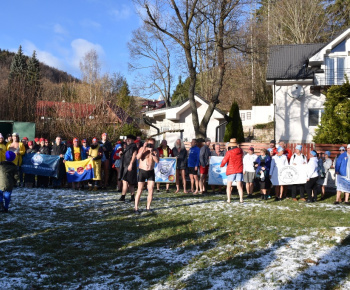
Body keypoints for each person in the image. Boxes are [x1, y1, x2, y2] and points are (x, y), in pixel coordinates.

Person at [134, 138, 159, 214]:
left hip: (151, 171)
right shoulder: (142, 148)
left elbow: (157, 161)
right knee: (140, 190)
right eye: (149, 143)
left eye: (152, 144)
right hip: (142, 171)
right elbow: (138, 157)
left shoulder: (155, 150)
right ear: (146, 143)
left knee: (151, 190)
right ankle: (136, 208)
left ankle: (148, 207)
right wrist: (144, 148)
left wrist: (152, 153)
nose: (150, 145)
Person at [220, 138, 244, 203]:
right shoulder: (241, 151)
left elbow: (225, 160)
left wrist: (221, 165)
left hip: (231, 170)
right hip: (239, 170)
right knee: (239, 186)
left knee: (229, 186)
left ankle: (229, 199)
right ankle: (241, 199)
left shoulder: (229, 152)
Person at [118, 135, 138, 202]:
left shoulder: (133, 146)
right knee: (130, 183)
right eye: (127, 139)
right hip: (125, 165)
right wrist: (121, 154)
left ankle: (123, 197)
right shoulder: (127, 147)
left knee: (126, 181)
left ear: (132, 140)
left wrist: (131, 164)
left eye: (129, 139)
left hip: (129, 166)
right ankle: (132, 197)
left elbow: (134, 155)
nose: (127, 140)